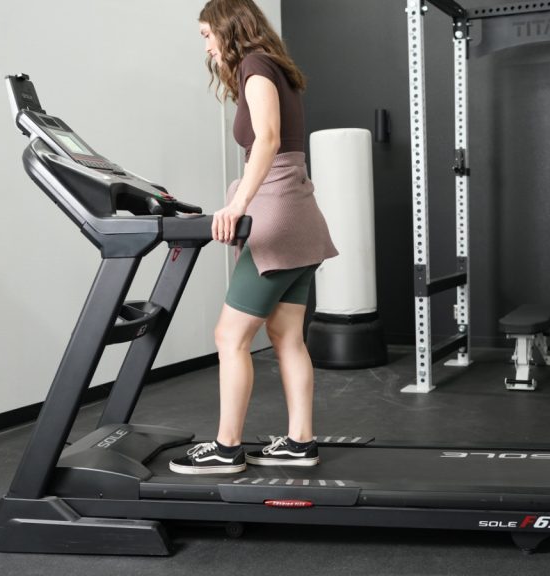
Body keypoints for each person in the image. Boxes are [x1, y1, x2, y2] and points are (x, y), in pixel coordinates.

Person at [169, 0, 338, 475]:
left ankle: (226, 448)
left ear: (228, 28)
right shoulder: (274, 67)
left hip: (276, 218)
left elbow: (266, 139)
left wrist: (239, 203)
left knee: (229, 335)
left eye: (207, 34)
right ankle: (301, 442)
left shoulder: (255, 65)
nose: (206, 45)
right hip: (300, 216)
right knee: (286, 336)